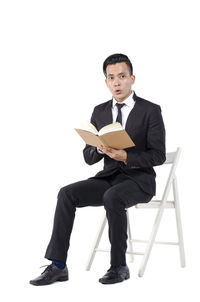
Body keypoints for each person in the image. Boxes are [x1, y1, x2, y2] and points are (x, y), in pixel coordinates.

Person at [30, 53, 166, 286]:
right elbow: (88, 156)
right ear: (106, 81)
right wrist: (100, 150)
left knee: (112, 197)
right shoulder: (100, 111)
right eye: (111, 77)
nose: (116, 82)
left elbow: (158, 155)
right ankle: (58, 266)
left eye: (122, 76)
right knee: (66, 193)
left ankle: (119, 266)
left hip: (139, 180)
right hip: (108, 178)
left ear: (132, 78)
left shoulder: (150, 110)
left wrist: (126, 156)